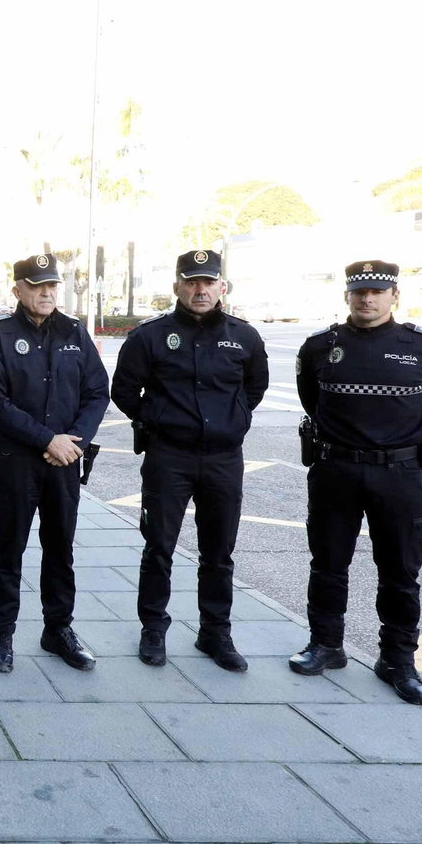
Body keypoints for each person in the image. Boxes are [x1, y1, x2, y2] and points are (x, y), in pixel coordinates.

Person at [289, 260, 422, 704]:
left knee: (400, 571)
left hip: (400, 474)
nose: (367, 299)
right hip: (335, 470)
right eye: (359, 291)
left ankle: (397, 661)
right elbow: (311, 399)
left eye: (377, 292)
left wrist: (403, 441)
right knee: (328, 564)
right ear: (347, 295)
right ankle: (326, 645)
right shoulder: (321, 346)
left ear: (394, 296)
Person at [110, 249, 268, 672]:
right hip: (169, 457)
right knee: (159, 548)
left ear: (222, 287)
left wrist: (231, 420)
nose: (201, 290)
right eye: (192, 282)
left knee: (219, 552)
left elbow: (255, 388)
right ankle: (153, 630)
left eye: (208, 282)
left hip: (223, 459)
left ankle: (215, 632)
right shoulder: (150, 336)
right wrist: (158, 420)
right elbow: (124, 391)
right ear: (177, 287)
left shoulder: (245, 336)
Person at [0, 253, 110, 673]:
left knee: (60, 549)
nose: (47, 292)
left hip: (63, 462)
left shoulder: (74, 332)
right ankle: (2, 632)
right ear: (18, 290)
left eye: (52, 285)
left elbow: (97, 392)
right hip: (17, 462)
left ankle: (58, 630)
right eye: (37, 286)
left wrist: (73, 442)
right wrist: (47, 439)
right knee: (9, 549)